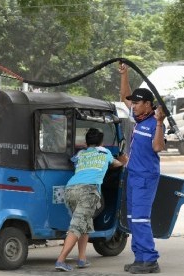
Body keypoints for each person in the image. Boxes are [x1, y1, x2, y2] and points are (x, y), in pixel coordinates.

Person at [55, 128, 126, 272]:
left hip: (70, 190)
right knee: (77, 227)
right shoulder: (104, 152)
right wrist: (123, 160)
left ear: (86, 142)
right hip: (88, 192)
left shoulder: (80, 153)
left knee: (85, 224)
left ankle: (82, 259)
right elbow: (117, 164)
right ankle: (61, 260)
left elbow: (73, 161)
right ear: (101, 142)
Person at [119, 63, 166, 274]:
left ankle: (150, 260)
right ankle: (140, 258)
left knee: (140, 217)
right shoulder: (137, 118)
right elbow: (124, 96)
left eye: (138, 103)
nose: (134, 106)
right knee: (132, 219)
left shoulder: (154, 123)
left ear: (148, 104)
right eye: (134, 103)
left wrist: (159, 122)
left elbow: (158, 147)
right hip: (133, 175)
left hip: (146, 177)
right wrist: (125, 74)